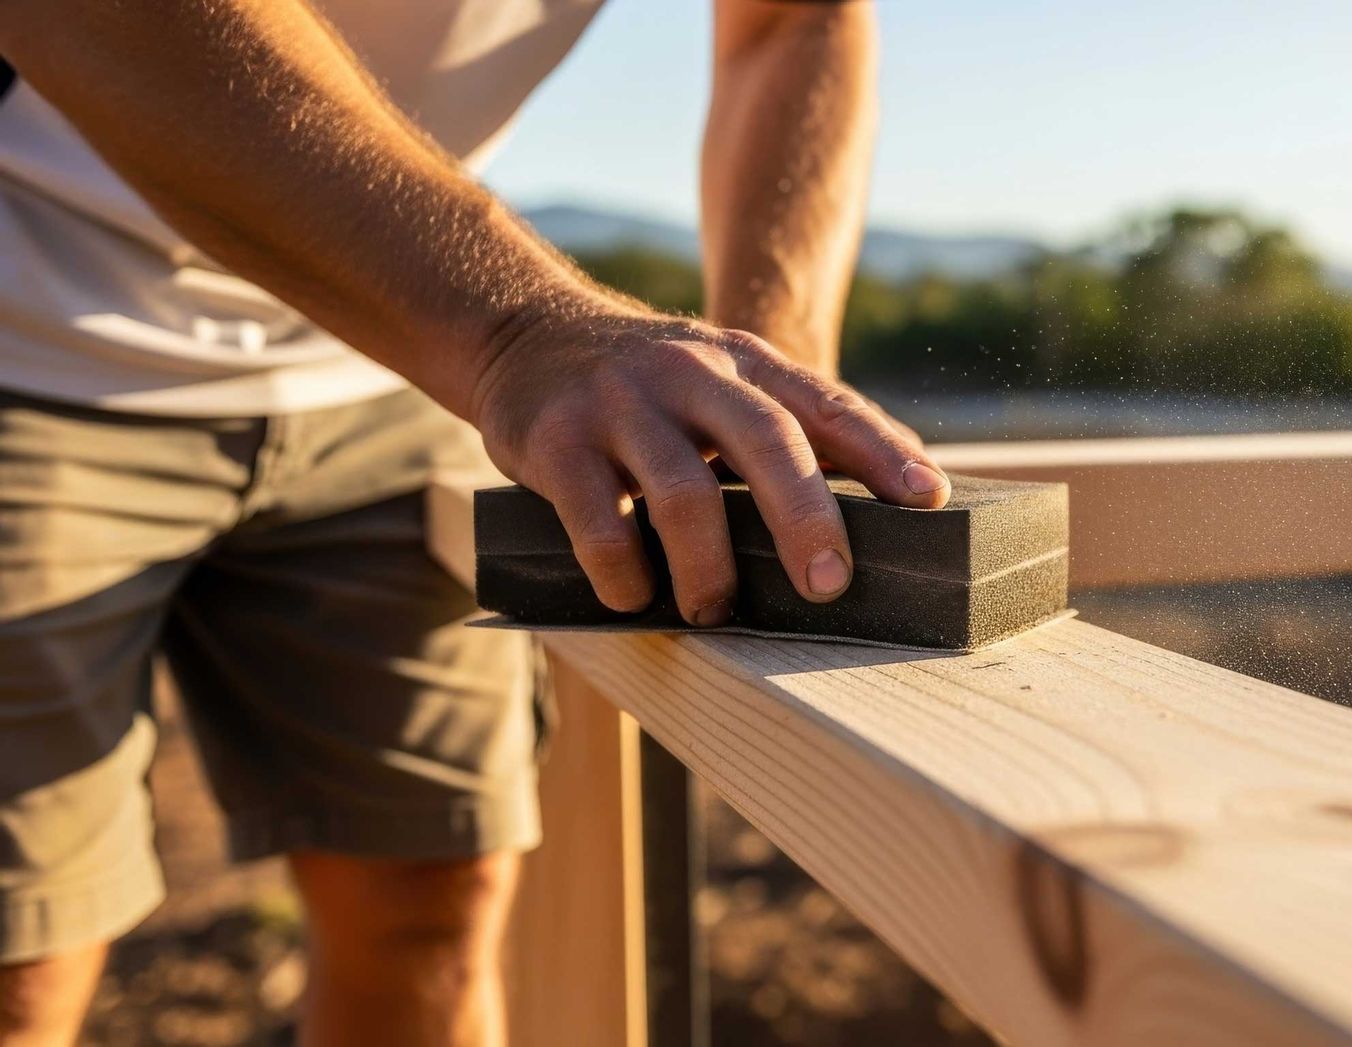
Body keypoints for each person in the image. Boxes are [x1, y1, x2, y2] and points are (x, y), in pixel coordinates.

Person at [0, 0, 945, 1042]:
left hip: (394, 355)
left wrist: (766, 389)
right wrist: (519, 329)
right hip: (29, 331)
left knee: (427, 908)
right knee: (20, 960)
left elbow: (791, 22)